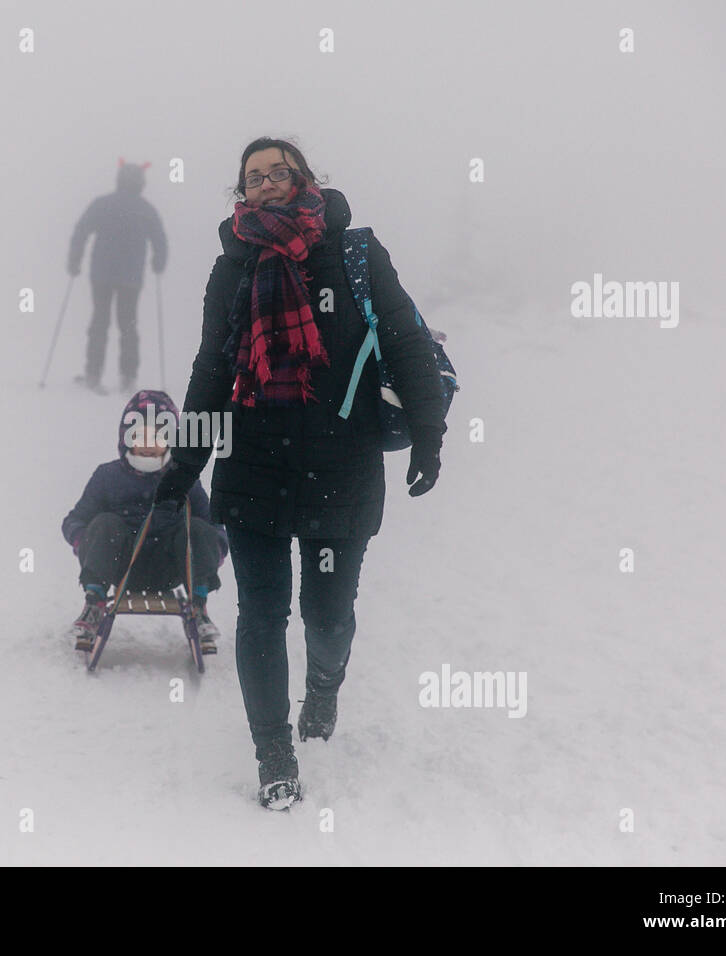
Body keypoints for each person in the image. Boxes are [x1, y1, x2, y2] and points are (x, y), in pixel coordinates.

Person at [154, 138, 448, 810]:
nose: (265, 183)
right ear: (241, 191)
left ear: (304, 178)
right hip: (255, 465)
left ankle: (322, 689)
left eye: (277, 171)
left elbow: (404, 340)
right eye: (252, 177)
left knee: (327, 615)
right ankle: (274, 755)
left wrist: (429, 433)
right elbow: (210, 372)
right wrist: (184, 464)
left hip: (341, 466)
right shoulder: (230, 268)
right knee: (260, 614)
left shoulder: (355, 253)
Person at [63, 389, 229, 651]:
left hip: (171, 567)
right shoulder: (108, 476)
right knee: (105, 522)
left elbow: (214, 524)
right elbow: (75, 520)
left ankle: (198, 607)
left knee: (197, 527)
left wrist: (216, 547)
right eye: (140, 435)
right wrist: (86, 541)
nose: (149, 444)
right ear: (127, 438)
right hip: (120, 566)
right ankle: (93, 603)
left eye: (159, 436)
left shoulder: (183, 478)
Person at [67, 160, 168, 395]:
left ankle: (93, 373)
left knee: (99, 322)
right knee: (128, 325)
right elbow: (159, 239)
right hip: (131, 277)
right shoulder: (146, 209)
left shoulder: (102, 204)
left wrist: (75, 261)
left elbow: (81, 231)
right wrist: (158, 261)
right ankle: (128, 376)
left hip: (101, 273)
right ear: (140, 184)